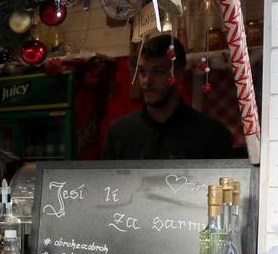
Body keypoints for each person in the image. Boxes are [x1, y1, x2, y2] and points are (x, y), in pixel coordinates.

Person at [102, 35, 238, 160]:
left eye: (158, 71)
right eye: (142, 71)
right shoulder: (119, 133)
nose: (146, 81)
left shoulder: (211, 134)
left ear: (178, 75)